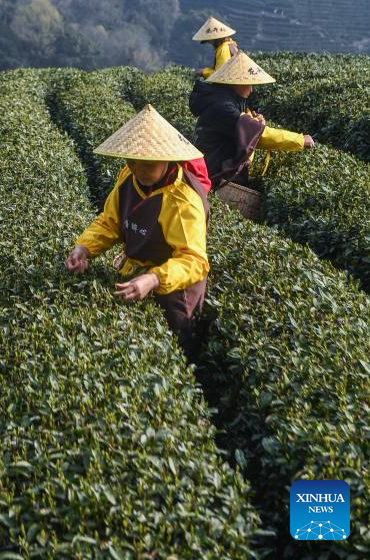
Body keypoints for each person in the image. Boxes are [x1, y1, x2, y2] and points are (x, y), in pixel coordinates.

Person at [65, 105, 210, 359]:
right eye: (132, 161)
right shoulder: (127, 180)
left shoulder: (182, 200)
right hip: (138, 270)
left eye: (147, 164)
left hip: (176, 285)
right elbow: (110, 222)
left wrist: (154, 279)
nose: (138, 169)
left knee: (177, 342)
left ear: (167, 159)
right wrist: (83, 248)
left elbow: (194, 260)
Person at [189, 50, 314, 189]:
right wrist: (300, 140)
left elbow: (242, 124)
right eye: (249, 83)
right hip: (211, 176)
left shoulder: (222, 99)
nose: (252, 89)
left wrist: (252, 122)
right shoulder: (223, 108)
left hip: (211, 170)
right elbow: (261, 136)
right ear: (236, 83)